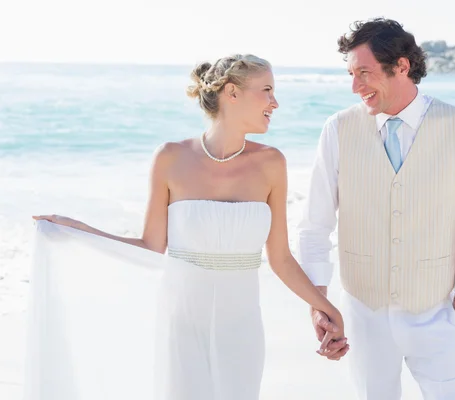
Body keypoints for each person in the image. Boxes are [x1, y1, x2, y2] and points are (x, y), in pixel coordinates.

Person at [29, 54, 346, 400]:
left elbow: (281, 258)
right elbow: (151, 246)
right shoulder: (171, 157)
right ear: (232, 92)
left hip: (241, 327)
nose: (275, 102)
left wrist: (325, 309)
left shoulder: (272, 163)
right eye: (267, 90)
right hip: (181, 322)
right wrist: (77, 229)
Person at [297, 18, 455, 399]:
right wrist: (319, 306)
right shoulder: (337, 129)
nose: (355, 86)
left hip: (437, 313)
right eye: (351, 74)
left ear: (402, 66)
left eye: (364, 73)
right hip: (362, 313)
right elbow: (314, 227)